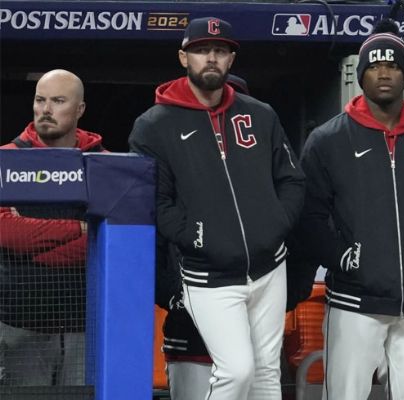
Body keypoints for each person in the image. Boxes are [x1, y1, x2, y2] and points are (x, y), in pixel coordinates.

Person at [128, 17, 304, 400]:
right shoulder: (154, 125)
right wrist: (197, 238)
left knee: (266, 374)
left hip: (269, 267)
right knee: (236, 372)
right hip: (208, 273)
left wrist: (275, 224)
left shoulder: (260, 114)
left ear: (231, 59)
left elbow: (292, 179)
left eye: (220, 50)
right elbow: (156, 202)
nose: (211, 58)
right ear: (183, 58)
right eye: (201, 50)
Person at [298, 19, 404, 400]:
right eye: (374, 65)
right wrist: (343, 259)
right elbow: (309, 216)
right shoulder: (328, 140)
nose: (384, 73)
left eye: (392, 65)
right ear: (361, 74)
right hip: (354, 301)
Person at [0, 69, 105, 386]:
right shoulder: (6, 159)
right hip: (17, 322)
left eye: (58, 101)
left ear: (80, 109)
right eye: (40, 100)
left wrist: (34, 248)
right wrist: (79, 228)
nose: (45, 110)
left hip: (84, 326)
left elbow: (107, 240)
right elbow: (7, 233)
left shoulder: (104, 163)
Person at [156, 74, 252, 400]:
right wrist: (177, 296)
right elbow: (152, 249)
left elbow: (292, 241)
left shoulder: (262, 174)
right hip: (190, 335)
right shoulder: (173, 170)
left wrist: (286, 297)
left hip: (255, 329)